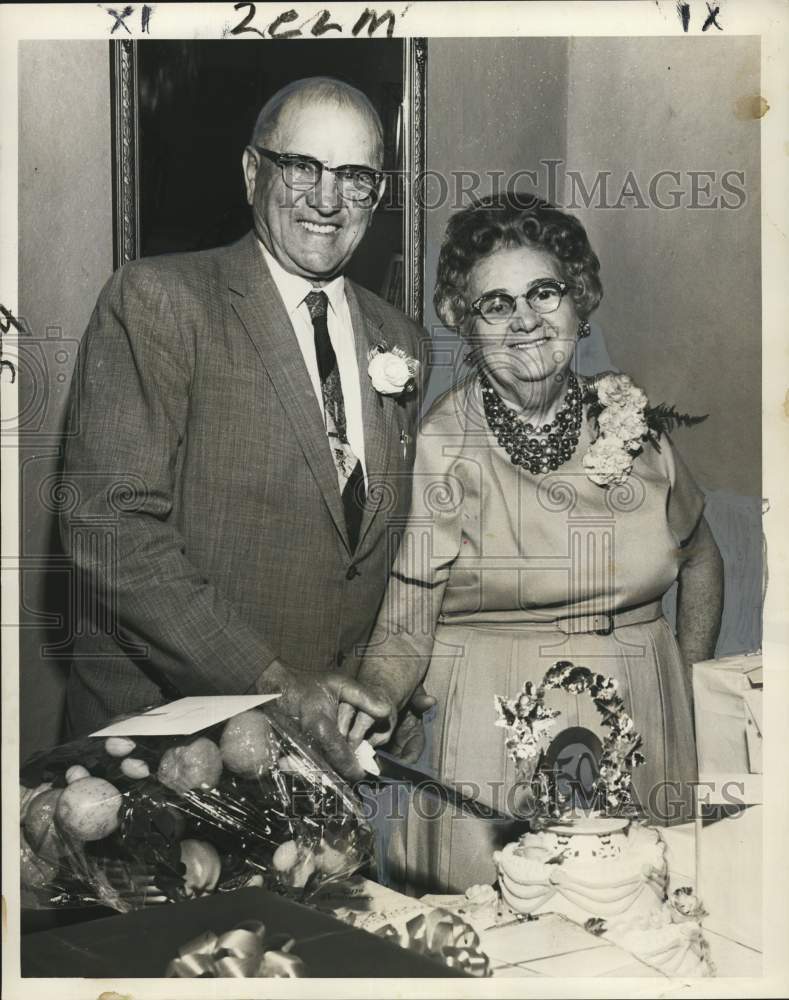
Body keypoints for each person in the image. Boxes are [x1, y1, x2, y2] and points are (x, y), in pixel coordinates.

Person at [345, 195, 723, 891]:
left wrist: (693, 690)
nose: (524, 320)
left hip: (646, 715)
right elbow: (403, 620)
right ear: (466, 323)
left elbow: (699, 556)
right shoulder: (441, 444)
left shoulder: (631, 423)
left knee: (648, 936)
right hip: (496, 728)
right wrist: (372, 696)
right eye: (495, 304)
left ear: (577, 304)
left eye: (543, 292)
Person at [59, 77, 432, 779]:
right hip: (168, 755)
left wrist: (383, 696)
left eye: (354, 176)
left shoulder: (400, 339)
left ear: (376, 194)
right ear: (252, 170)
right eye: (302, 167)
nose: (327, 200)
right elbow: (109, 529)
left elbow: (370, 554)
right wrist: (277, 685)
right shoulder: (159, 301)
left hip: (320, 765)